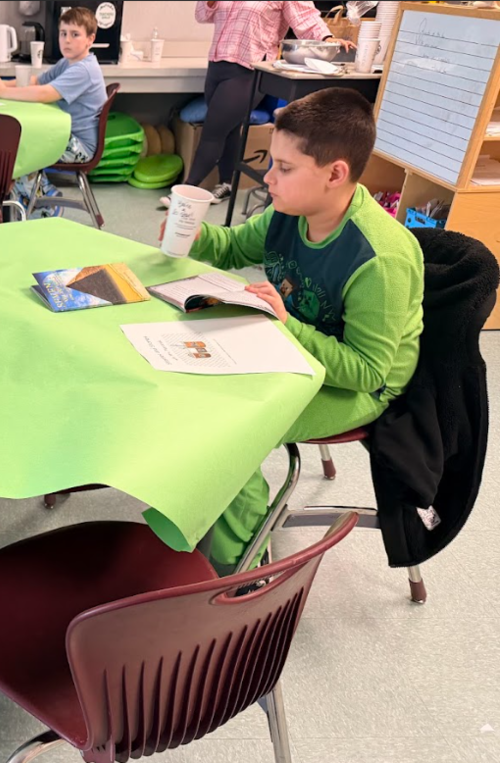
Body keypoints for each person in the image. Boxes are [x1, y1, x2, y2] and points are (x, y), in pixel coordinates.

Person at [172, 88, 423, 573]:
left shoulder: (380, 258)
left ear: (335, 174)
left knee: (228, 428)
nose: (268, 178)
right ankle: (200, 517)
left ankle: (242, 571)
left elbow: (367, 371)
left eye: (284, 168)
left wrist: (288, 326)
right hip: (294, 347)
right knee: (190, 388)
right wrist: (192, 231)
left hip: (360, 384)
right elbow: (230, 248)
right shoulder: (288, 213)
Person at [179, 1, 354, 207]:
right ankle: (227, 183)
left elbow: (304, 17)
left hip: (249, 68)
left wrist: (328, 38)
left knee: (213, 130)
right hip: (217, 64)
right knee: (230, 128)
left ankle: (186, 192)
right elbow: (202, 15)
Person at [0, 6, 106, 218]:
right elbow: (35, 81)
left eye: (75, 34)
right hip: (68, 135)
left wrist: (2, 92)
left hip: (80, 146)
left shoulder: (83, 69)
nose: (67, 40)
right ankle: (22, 204)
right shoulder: (68, 63)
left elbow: (45, 94)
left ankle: (46, 204)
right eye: (63, 33)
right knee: (15, 145)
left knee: (18, 149)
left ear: (90, 39)